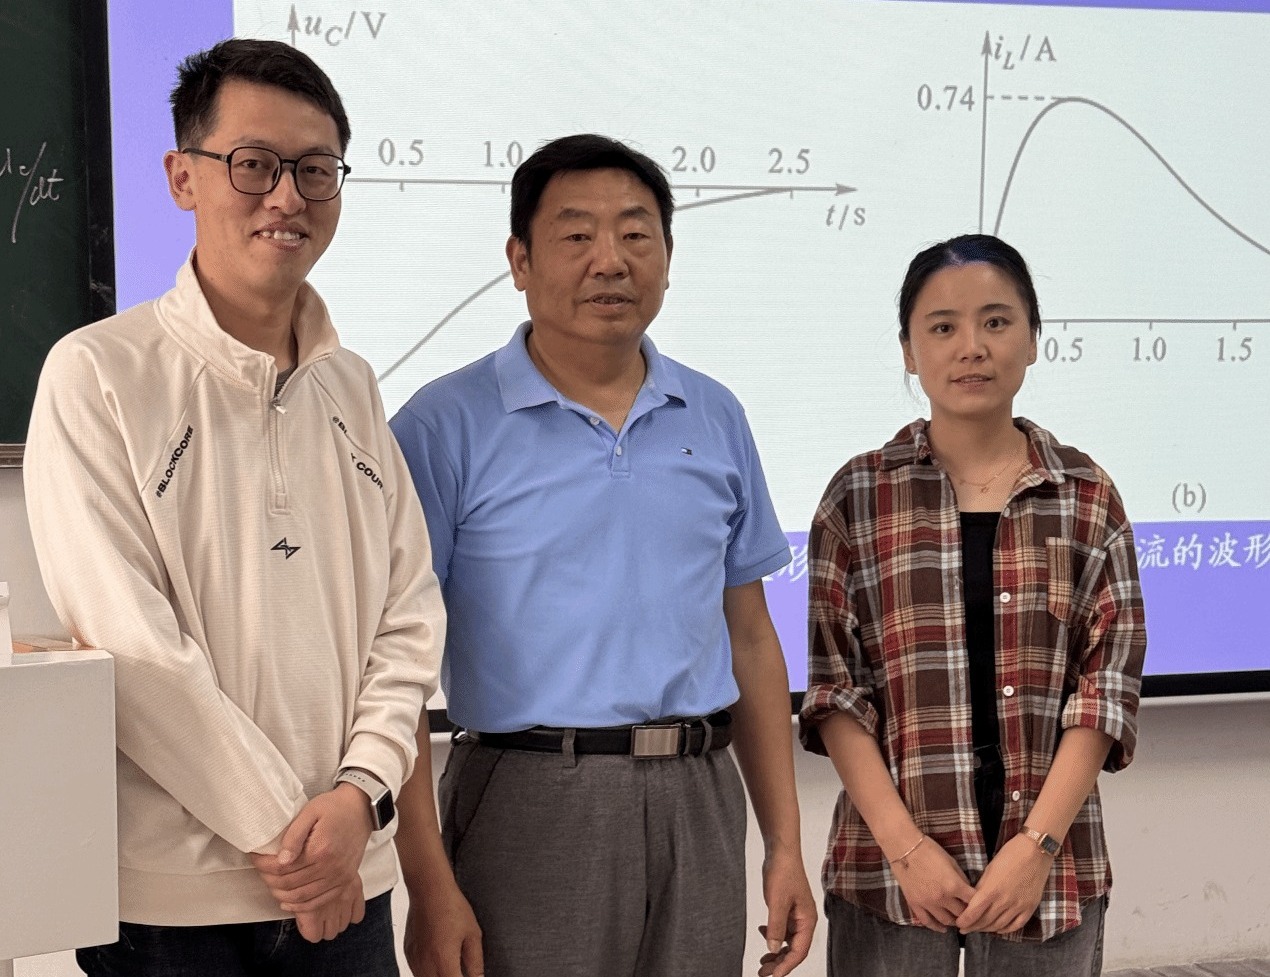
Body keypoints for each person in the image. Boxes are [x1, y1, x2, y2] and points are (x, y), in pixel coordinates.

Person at [24, 38, 453, 976]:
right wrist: (292, 842)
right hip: (173, 907)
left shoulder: (353, 386)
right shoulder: (98, 373)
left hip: (353, 882)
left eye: (315, 169)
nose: (287, 197)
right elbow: (131, 645)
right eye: (254, 165)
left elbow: (409, 619)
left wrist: (358, 796)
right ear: (183, 176)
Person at [389, 133, 817, 977]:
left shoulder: (715, 414)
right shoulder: (441, 426)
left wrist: (784, 843)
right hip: (530, 793)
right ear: (519, 260)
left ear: (667, 257)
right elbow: (391, 664)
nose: (610, 260)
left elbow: (752, 638)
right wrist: (428, 882)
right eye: (577, 234)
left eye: (635, 233)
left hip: (700, 793)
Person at [799, 233, 1147, 975]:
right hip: (890, 872)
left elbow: (1106, 689)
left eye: (996, 321)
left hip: (1049, 868)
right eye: (943, 326)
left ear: (1033, 339)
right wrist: (908, 850)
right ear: (909, 350)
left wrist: (1036, 846)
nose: (972, 347)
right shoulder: (857, 496)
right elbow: (835, 694)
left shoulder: (1086, 495)